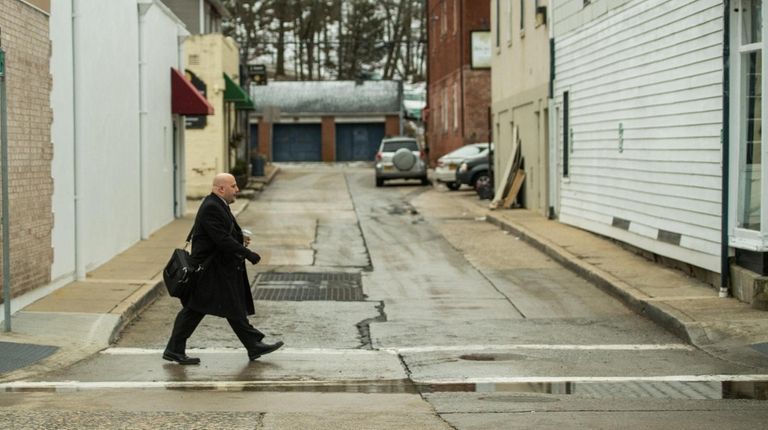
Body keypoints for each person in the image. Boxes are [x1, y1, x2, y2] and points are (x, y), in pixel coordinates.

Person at [163, 173, 283, 365]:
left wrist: (239, 237)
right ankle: (174, 349)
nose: (237, 190)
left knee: (229, 307)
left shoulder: (217, 204)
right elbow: (222, 240)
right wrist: (247, 253)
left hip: (217, 269)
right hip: (209, 271)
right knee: (195, 309)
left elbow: (222, 233)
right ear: (221, 189)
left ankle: (253, 345)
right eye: (233, 186)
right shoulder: (212, 206)